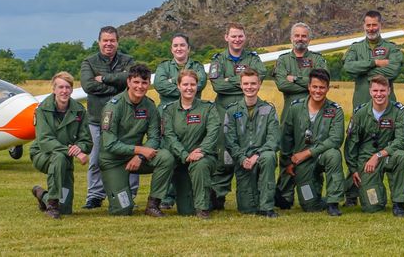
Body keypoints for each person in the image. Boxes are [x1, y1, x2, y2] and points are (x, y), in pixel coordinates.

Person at [153, 70, 224, 218]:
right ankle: (207, 193)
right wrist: (185, 155)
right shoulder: (169, 110)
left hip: (203, 157)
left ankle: (203, 209)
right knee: (185, 210)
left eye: (193, 84)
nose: (189, 88)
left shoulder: (208, 108)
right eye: (185, 84)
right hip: (181, 160)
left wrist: (201, 151)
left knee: (200, 164)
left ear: (197, 86)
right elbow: (169, 137)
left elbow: (213, 132)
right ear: (178, 86)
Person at [79, 26, 136, 209]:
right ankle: (94, 195)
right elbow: (88, 86)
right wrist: (117, 88)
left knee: (129, 155)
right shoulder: (89, 62)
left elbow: (130, 79)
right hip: (97, 119)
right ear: (99, 42)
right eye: (105, 40)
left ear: (117, 42)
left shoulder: (128, 60)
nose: (108, 44)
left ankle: (130, 193)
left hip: (124, 119)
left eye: (112, 40)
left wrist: (103, 78)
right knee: (96, 158)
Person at [98, 63, 167, 216]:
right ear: (128, 82)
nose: (140, 86)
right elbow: (109, 144)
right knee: (123, 210)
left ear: (149, 84)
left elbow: (155, 137)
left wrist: (140, 156)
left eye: (144, 82)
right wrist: (140, 150)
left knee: (166, 157)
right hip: (113, 161)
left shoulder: (149, 106)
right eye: (136, 82)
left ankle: (153, 204)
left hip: (136, 158)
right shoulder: (113, 107)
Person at [277, 68, 346, 215]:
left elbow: (336, 140)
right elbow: (286, 138)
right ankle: (320, 199)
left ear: (328, 88)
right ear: (308, 87)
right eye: (315, 87)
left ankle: (333, 202)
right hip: (302, 163)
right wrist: (288, 162)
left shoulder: (335, 110)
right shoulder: (295, 108)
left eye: (322, 87)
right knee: (310, 206)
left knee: (334, 154)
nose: (318, 91)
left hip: (322, 155)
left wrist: (308, 152)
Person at [214, 69, 281, 217]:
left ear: (259, 85)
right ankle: (256, 199)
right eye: (246, 83)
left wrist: (258, 154)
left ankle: (267, 207)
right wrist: (242, 158)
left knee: (269, 157)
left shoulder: (268, 109)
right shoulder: (232, 111)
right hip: (242, 159)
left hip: (262, 156)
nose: (249, 87)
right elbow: (229, 140)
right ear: (241, 85)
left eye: (253, 83)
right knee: (247, 208)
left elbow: (274, 138)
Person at [344, 75, 404, 217]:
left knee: (401, 156)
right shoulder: (360, 113)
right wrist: (353, 169)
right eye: (375, 91)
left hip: (388, 156)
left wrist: (379, 154)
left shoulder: (398, 111)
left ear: (389, 90)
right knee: (372, 206)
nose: (379, 94)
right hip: (367, 162)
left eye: (382, 90)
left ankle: (399, 203)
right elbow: (351, 144)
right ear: (370, 92)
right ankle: (375, 194)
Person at [30, 72, 92, 219]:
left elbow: (87, 141)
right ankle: (52, 204)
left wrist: (80, 147)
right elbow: (45, 140)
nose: (64, 91)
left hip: (66, 158)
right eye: (60, 87)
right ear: (54, 89)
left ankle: (42, 195)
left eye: (68, 87)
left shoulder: (79, 110)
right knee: (58, 157)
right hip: (42, 154)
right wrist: (74, 152)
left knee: (65, 210)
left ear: (71, 90)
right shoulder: (42, 109)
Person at [342, 10, 404, 110]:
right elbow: (348, 67)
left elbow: (393, 71)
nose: (371, 28)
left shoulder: (391, 48)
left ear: (380, 25)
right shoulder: (355, 48)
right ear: (364, 26)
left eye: (374, 25)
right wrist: (374, 63)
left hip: (387, 106)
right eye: (368, 25)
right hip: (361, 104)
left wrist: (364, 72)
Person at [208, 23, 267, 109]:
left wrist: (229, 80)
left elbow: (261, 74)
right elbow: (218, 86)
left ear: (245, 37)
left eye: (240, 36)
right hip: (223, 111)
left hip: (248, 109)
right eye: (233, 36)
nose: (237, 39)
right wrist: (247, 84)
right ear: (226, 37)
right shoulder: (218, 60)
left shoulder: (253, 58)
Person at [274, 22, 327, 110]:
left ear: (309, 39)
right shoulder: (283, 60)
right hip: (290, 112)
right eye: (297, 35)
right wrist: (311, 87)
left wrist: (295, 79)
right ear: (291, 38)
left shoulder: (317, 59)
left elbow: (321, 83)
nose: (300, 39)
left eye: (304, 36)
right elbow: (282, 85)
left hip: (314, 111)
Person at [154, 33, 207, 102]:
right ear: (172, 49)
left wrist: (172, 81)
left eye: (182, 45)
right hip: (168, 110)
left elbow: (200, 84)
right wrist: (188, 89)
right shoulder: (163, 66)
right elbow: (160, 85)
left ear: (188, 48)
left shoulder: (197, 66)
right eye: (175, 46)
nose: (178, 49)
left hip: (193, 108)